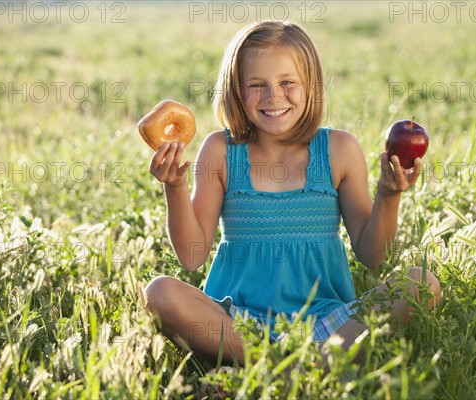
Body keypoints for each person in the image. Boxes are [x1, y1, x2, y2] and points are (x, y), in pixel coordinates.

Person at [144, 20, 441, 367]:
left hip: (328, 324)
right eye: (257, 85)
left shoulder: (339, 150)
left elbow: (372, 254)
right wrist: (174, 187)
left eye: (288, 83)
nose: (274, 97)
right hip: (239, 324)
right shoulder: (221, 151)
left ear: (310, 86)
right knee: (159, 292)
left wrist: (389, 195)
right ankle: (289, 368)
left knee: (422, 284)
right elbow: (191, 256)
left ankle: (284, 368)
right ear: (236, 90)